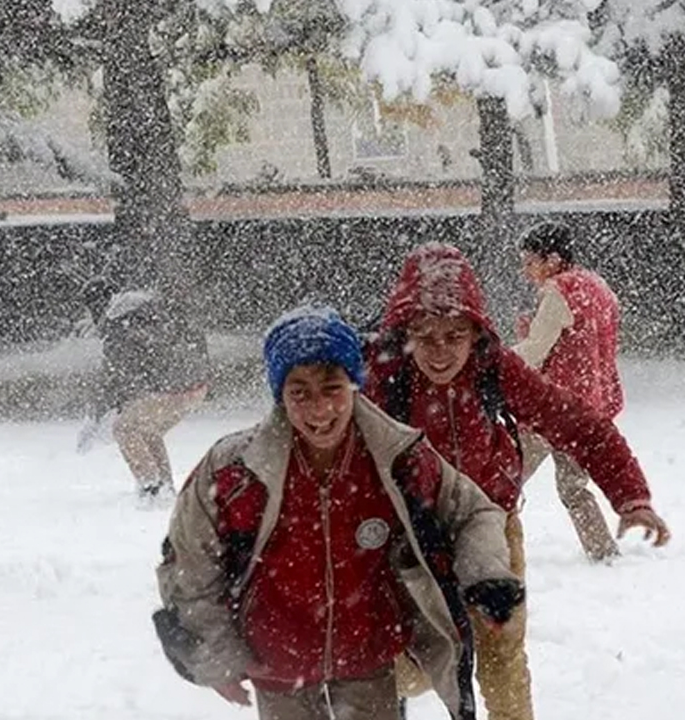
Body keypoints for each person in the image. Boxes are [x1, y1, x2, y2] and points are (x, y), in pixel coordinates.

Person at [153, 305, 524, 720]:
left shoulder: (397, 456)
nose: (319, 410)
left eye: (332, 388)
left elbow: (473, 510)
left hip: (368, 658)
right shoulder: (233, 471)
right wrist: (215, 654)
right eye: (300, 392)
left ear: (354, 384)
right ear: (280, 394)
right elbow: (189, 564)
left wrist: (487, 573)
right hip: (277, 665)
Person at [365, 243, 672, 720]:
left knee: (501, 654)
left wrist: (629, 495)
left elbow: (576, 423)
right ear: (405, 333)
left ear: (474, 332)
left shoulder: (494, 368)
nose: (441, 350)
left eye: (454, 335)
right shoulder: (383, 379)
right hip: (413, 534)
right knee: (410, 663)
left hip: (492, 526)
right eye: (426, 336)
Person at [511, 221, 625, 563]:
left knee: (504, 478)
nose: (526, 270)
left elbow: (536, 349)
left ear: (554, 259)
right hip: (589, 407)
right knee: (574, 488)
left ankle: (492, 544)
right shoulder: (600, 288)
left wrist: (495, 358)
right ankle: (603, 551)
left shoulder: (558, 291)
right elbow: (587, 342)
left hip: (554, 406)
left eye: (530, 261)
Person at [79, 279, 210, 500]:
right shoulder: (147, 305)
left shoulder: (118, 321)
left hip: (172, 386)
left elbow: (120, 372)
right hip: (196, 383)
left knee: (124, 429)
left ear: (97, 304)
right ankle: (165, 486)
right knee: (146, 429)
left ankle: (152, 487)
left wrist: (101, 412)